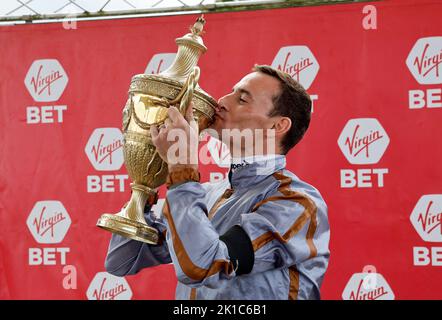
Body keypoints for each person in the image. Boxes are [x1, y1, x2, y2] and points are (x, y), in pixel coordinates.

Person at [104, 65, 330, 300]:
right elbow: (122, 261)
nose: (221, 100)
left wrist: (182, 168)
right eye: (231, 92)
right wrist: (147, 181)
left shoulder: (296, 202)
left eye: (242, 99)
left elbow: (204, 267)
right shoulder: (204, 193)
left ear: (277, 126)